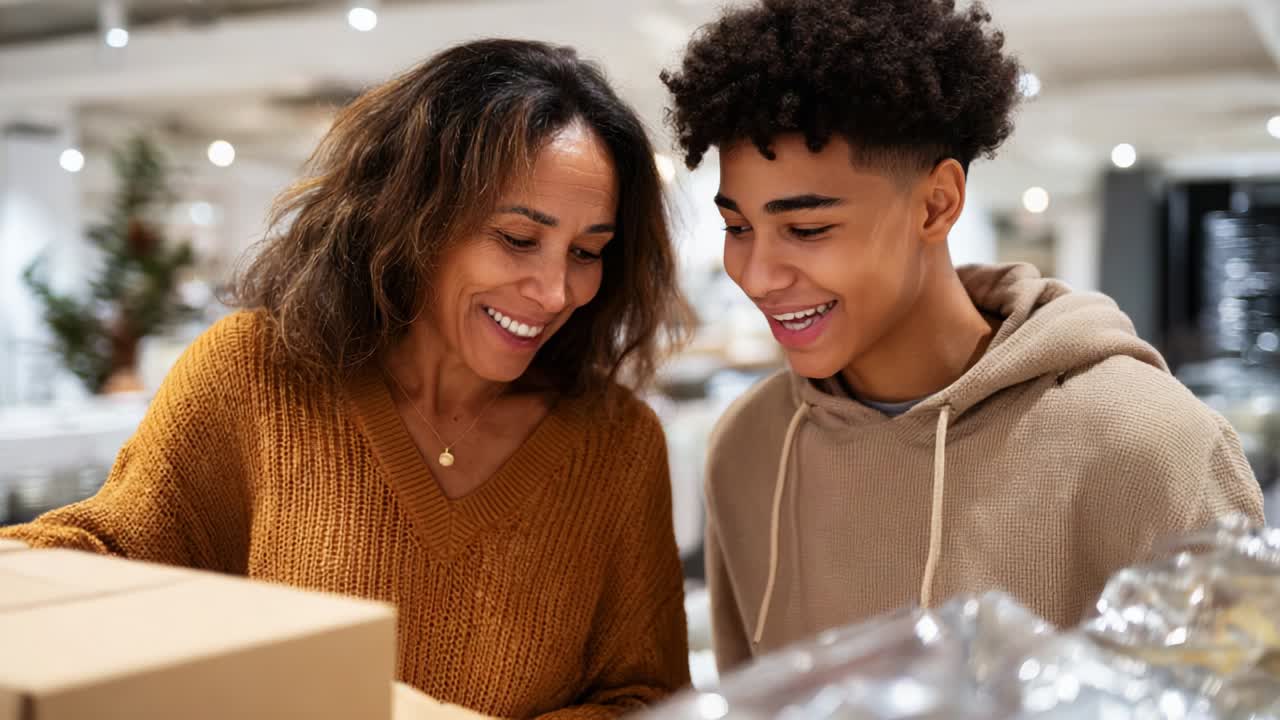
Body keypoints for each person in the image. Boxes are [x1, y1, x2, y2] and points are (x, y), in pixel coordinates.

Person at [4, 39, 692, 717]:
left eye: (587, 251)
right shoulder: (255, 375)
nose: (553, 290)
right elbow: (99, 555)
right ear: (413, 215)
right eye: (517, 239)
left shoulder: (616, 444)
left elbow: (645, 696)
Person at [660, 0, 1265, 672]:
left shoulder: (1153, 449)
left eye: (806, 229)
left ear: (937, 204)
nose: (758, 274)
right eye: (738, 228)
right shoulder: (749, 447)